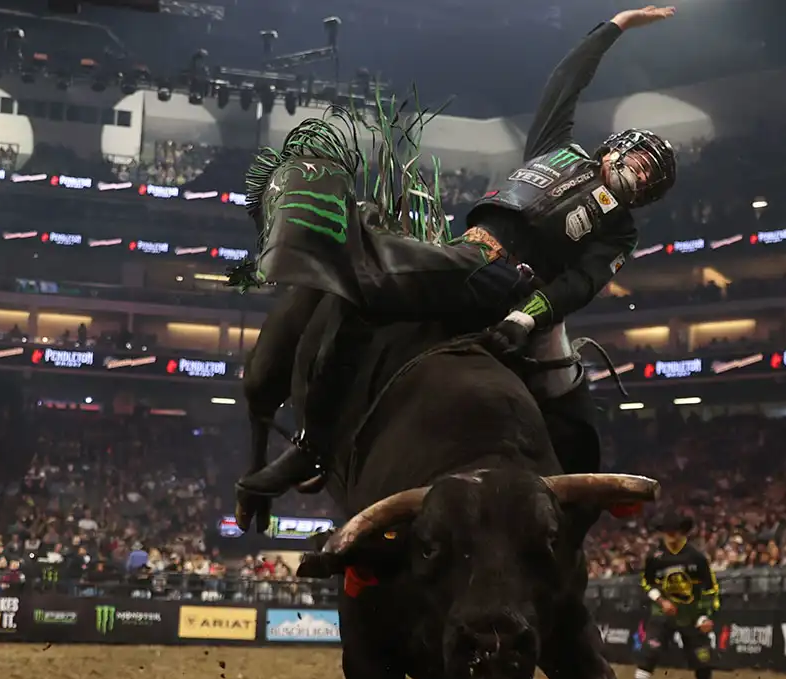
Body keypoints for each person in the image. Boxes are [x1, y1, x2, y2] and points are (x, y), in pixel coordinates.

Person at [239, 6, 681, 497]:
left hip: (511, 284)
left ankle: (311, 448)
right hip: (461, 257)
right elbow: (565, 82)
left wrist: (526, 318)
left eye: (648, 180)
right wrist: (615, 26)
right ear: (616, 147)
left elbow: (580, 283)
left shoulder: (619, 230)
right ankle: (321, 442)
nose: (638, 176)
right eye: (640, 162)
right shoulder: (556, 147)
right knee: (359, 303)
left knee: (565, 390)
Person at [628, 513, 718, 679]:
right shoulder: (655, 557)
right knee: (649, 652)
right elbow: (645, 583)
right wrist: (661, 600)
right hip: (663, 613)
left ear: (682, 532)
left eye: (674, 530)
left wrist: (704, 616)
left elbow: (710, 589)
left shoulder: (696, 557)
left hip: (691, 614)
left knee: (703, 659)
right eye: (666, 531)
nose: (670, 535)